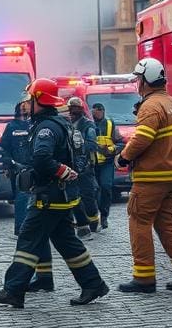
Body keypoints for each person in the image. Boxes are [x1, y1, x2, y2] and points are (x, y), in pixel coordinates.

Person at [0, 78, 109, 308]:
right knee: (68, 243)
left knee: (28, 239)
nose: (26, 103)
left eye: (30, 99)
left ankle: (13, 290)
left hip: (48, 197)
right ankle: (93, 284)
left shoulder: (46, 127)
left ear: (40, 100)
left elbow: (43, 158)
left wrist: (60, 171)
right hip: (60, 195)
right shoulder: (57, 122)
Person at [117, 58, 172, 294]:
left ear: (146, 81)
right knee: (166, 223)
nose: (136, 83)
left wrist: (123, 157)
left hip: (150, 178)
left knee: (139, 222)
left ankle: (143, 278)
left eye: (138, 79)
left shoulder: (151, 106)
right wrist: (171, 158)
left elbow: (142, 138)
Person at [67, 97, 100, 237]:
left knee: (87, 195)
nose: (71, 113)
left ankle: (93, 222)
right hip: (71, 166)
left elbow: (92, 145)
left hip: (85, 166)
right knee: (74, 195)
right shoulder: (67, 124)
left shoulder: (88, 126)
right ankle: (81, 223)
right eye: (70, 109)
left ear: (80, 110)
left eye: (74, 110)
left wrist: (78, 145)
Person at [0, 97, 32, 236]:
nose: (24, 108)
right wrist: (7, 165)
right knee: (20, 198)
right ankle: (20, 228)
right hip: (17, 168)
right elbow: (4, 147)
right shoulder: (11, 126)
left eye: (26, 105)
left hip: (33, 166)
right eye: (22, 105)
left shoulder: (35, 124)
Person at [91, 101, 124, 230]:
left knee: (105, 187)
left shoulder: (110, 124)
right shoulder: (87, 124)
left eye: (98, 110)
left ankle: (104, 216)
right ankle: (93, 216)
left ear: (103, 111)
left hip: (106, 162)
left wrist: (112, 150)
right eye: (94, 110)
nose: (96, 113)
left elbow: (121, 143)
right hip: (92, 163)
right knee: (93, 190)